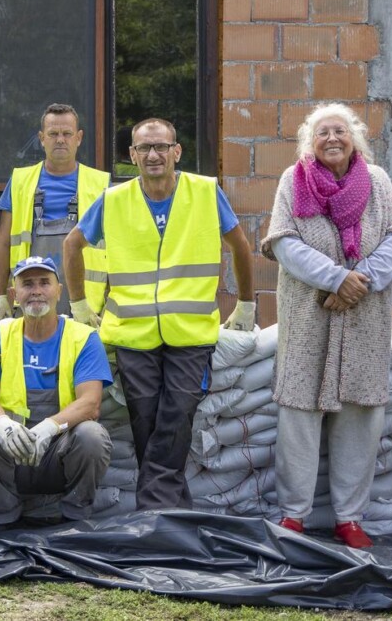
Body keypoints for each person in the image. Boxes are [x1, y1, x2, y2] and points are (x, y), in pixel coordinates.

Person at [62, 118, 255, 510]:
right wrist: (79, 303)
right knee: (145, 417)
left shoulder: (204, 192)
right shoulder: (115, 199)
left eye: (161, 147)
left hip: (191, 332)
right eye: (143, 148)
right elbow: (72, 245)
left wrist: (246, 302)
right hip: (132, 332)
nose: (153, 155)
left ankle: (154, 511)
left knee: (177, 412)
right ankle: (170, 507)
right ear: (132, 155)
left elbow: (240, 246)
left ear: (176, 152)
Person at [260, 104, 392, 549]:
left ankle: (349, 518)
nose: (332, 139)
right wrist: (336, 278)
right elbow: (284, 244)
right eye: (322, 132)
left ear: (354, 137)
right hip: (309, 317)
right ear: (310, 141)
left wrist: (358, 284)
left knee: (360, 415)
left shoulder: (378, 182)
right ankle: (294, 516)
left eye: (339, 130)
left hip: (364, 320)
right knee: (300, 414)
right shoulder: (294, 180)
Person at [0, 256, 112, 528]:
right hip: (11, 447)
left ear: (59, 290)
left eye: (45, 283)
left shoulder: (83, 338)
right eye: (27, 284)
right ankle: (2, 519)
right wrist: (3, 426)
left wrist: (50, 427)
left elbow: (90, 403)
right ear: (14, 294)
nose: (36, 290)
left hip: (59, 446)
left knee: (92, 436)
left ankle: (75, 520)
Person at [0, 104, 110, 322]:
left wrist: (110, 301)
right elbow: (3, 242)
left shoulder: (102, 184)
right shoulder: (19, 181)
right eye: (53, 134)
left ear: (79, 138)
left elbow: (114, 247)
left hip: (86, 305)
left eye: (67, 134)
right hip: (29, 299)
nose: (60, 140)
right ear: (41, 138)